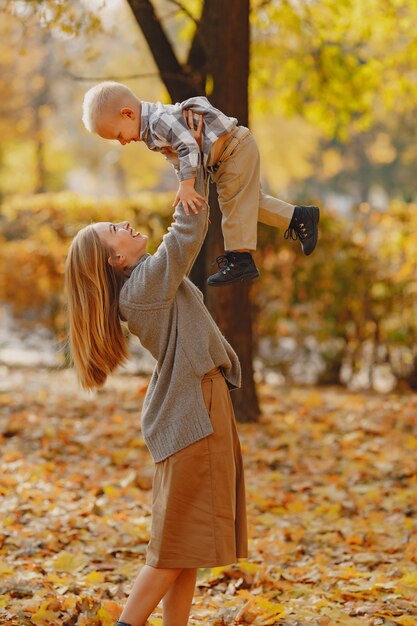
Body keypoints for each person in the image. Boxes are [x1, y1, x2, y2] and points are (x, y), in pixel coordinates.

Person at [64, 166, 248, 626]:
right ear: (115, 261)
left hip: (196, 408)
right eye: (115, 232)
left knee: (185, 547)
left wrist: (194, 170)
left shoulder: (144, 283)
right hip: (196, 413)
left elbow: (189, 231)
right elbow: (188, 230)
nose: (124, 226)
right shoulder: (144, 287)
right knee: (172, 549)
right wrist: (194, 164)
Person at [81, 81, 320, 286]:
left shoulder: (158, 121)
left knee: (233, 205)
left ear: (127, 114)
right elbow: (181, 160)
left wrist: (187, 185)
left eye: (119, 135)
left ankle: (240, 259)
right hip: (233, 152)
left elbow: (188, 147)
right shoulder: (151, 133)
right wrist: (190, 192)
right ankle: (299, 216)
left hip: (232, 151)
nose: (122, 142)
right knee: (249, 205)